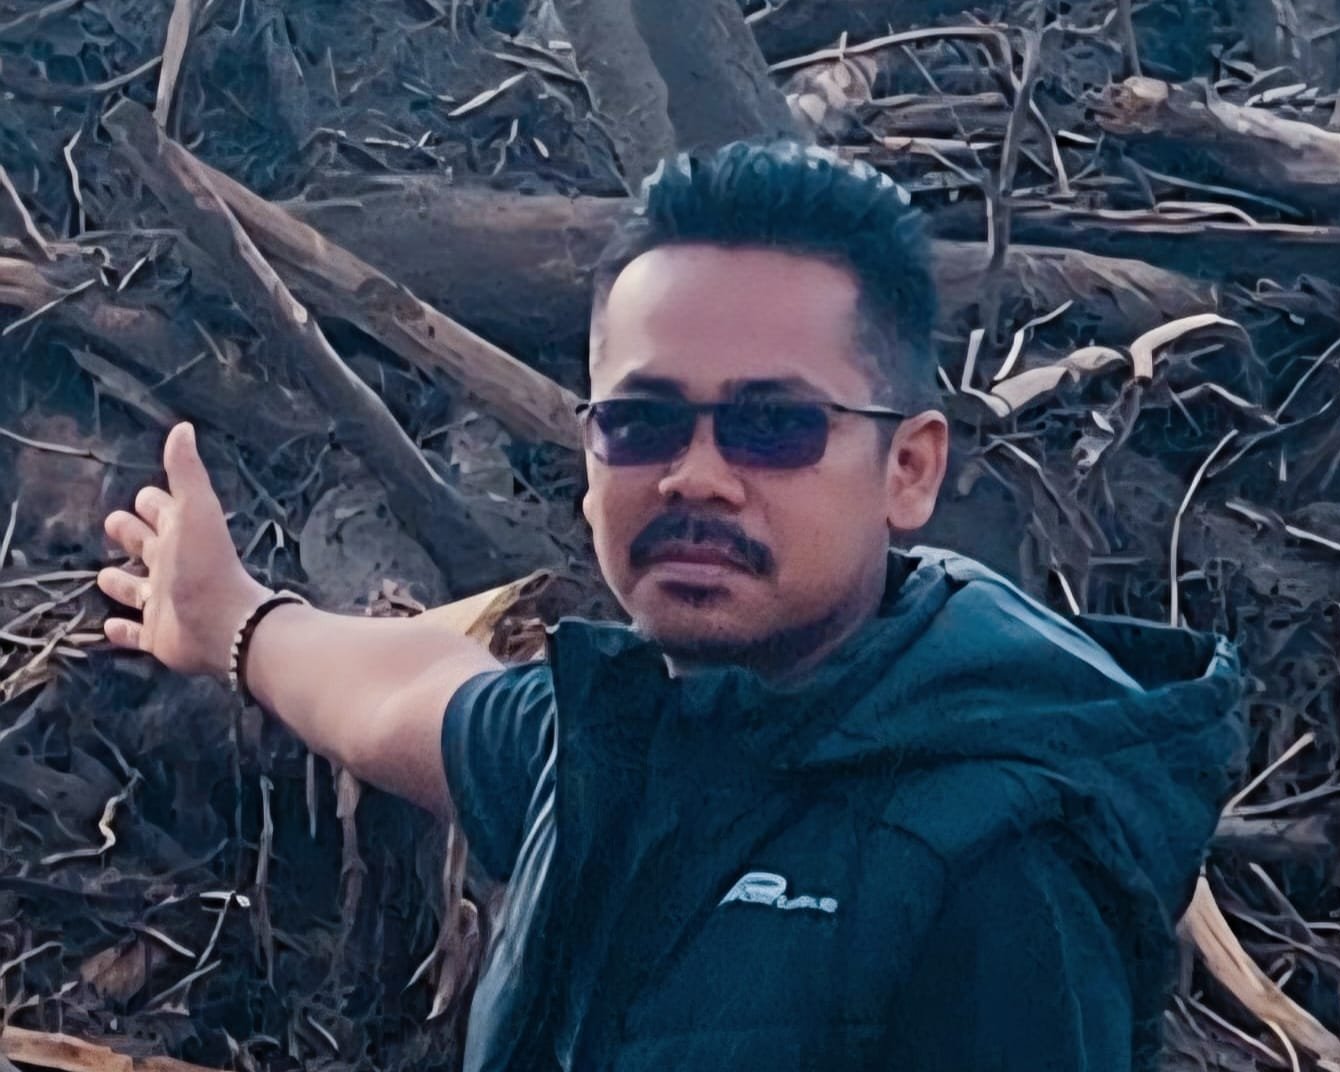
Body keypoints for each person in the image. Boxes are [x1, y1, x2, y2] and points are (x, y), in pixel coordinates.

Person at [97, 141, 1247, 1071]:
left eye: (773, 425)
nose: (696, 475)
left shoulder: (997, 865)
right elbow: (414, 693)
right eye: (643, 421)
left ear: (908, 469)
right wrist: (233, 619)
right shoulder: (619, 740)